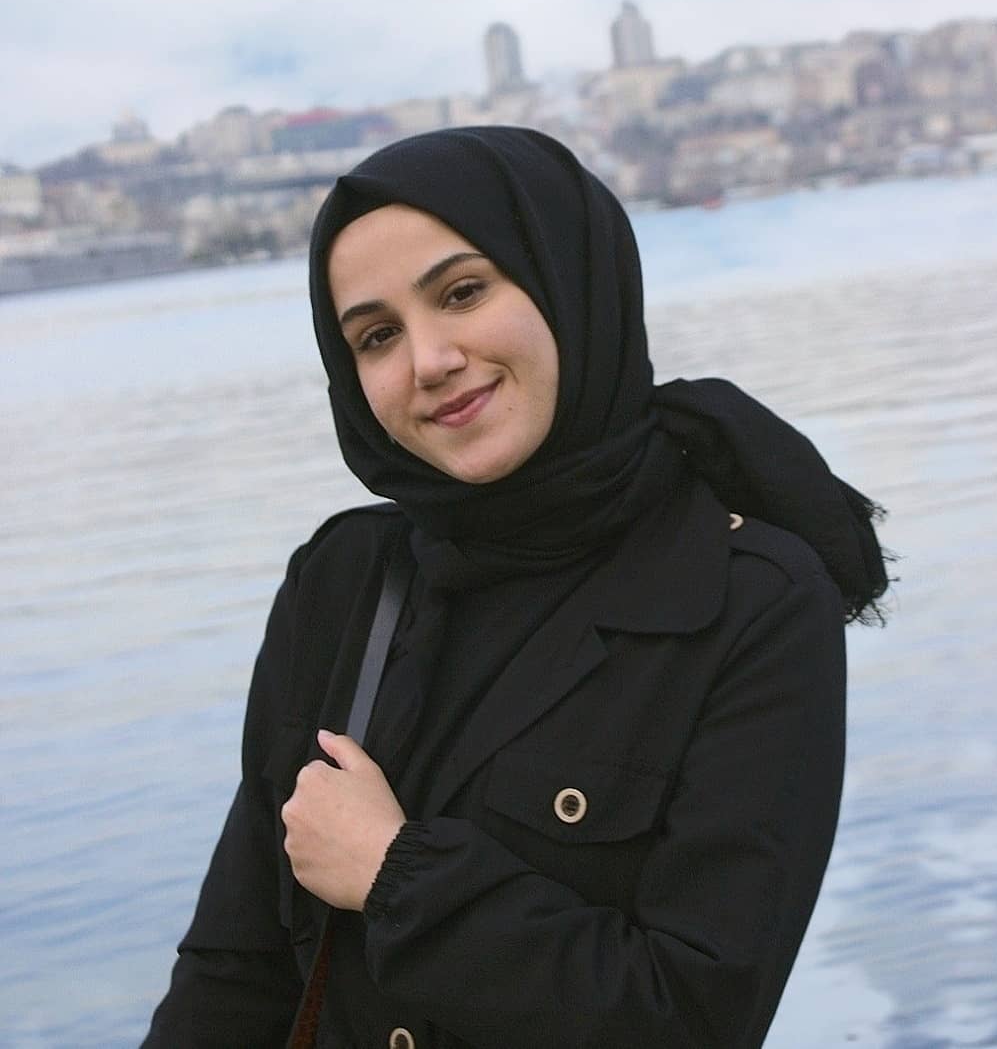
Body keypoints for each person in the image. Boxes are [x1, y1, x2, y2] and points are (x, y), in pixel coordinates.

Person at [142, 125, 888, 1049]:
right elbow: (233, 973)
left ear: (566, 281)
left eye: (462, 292)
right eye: (377, 336)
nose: (429, 361)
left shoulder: (748, 600)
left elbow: (694, 1016)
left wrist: (397, 874)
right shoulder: (344, 581)